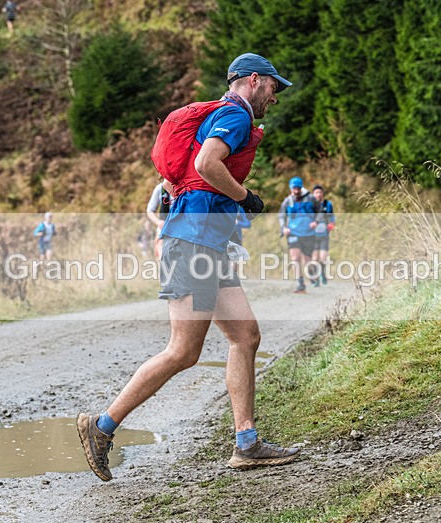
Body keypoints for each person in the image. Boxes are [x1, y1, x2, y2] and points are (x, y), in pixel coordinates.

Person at [76, 53, 299, 482]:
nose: (275, 97)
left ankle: (247, 443)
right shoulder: (234, 115)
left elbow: (176, 179)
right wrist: (244, 197)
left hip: (206, 243)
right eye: (274, 87)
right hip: (194, 242)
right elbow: (204, 164)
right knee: (183, 351)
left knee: (246, 336)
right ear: (254, 80)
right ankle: (101, 427)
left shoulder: (216, 115)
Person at [278, 176, 321, 293]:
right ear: (290, 188)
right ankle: (300, 284)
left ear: (301, 187)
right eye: (294, 189)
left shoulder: (311, 198)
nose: (296, 191)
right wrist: (283, 228)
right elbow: (281, 216)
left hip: (308, 233)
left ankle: (311, 272)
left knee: (307, 260)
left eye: (298, 188)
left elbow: (319, 211)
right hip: (293, 233)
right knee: (295, 258)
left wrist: (316, 221)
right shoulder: (287, 201)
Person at [311, 185, 335, 286]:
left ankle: (322, 273)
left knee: (323, 257)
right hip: (312, 236)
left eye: (320, 192)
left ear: (323, 194)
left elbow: (332, 217)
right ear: (313, 194)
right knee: (314, 258)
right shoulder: (310, 206)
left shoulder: (327, 204)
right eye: (316, 193)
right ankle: (315, 279)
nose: (318, 194)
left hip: (324, 235)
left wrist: (331, 224)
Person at [146, 182, 171, 258]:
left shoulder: (184, 187)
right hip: (163, 232)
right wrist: (158, 222)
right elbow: (150, 210)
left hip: (181, 233)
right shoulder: (160, 188)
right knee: (163, 260)